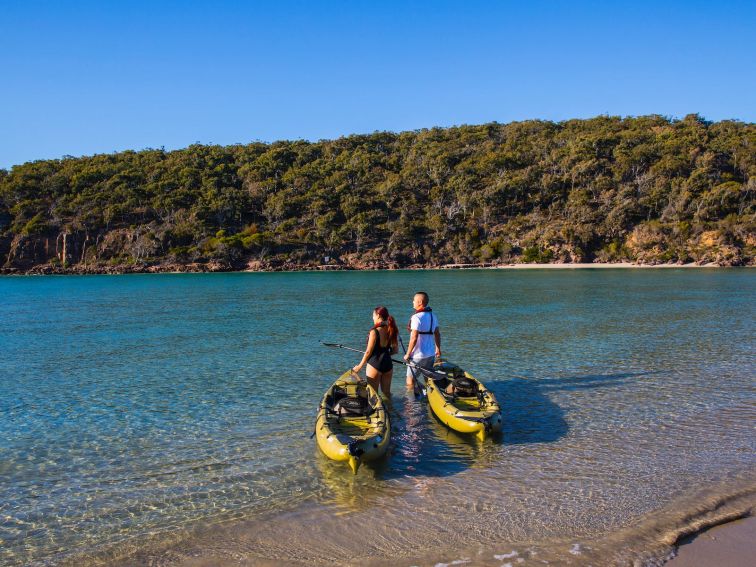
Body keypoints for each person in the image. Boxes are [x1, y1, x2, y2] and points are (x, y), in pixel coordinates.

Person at [352, 306, 399, 397]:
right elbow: (395, 350)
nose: (372, 317)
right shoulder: (391, 329)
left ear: (378, 316)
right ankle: (390, 409)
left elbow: (368, 351)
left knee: (373, 395)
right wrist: (384, 354)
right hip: (388, 364)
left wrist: (359, 366)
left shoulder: (374, 331)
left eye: (373, 315)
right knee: (387, 393)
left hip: (375, 364)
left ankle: (377, 411)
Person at [403, 291, 441, 388]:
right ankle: (429, 396)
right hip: (430, 354)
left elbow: (414, 337)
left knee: (410, 380)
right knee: (427, 378)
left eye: (414, 300)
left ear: (420, 302)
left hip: (417, 355)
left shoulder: (416, 317)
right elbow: (437, 334)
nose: (413, 302)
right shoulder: (433, 316)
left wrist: (408, 353)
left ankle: (412, 401)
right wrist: (438, 349)